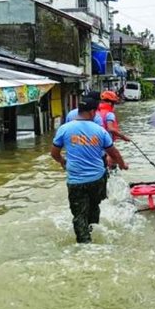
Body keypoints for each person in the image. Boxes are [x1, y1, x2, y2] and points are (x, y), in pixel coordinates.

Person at [51, 97, 128, 243]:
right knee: (94, 207)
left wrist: (63, 162)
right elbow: (114, 153)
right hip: (97, 179)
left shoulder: (64, 129)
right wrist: (123, 165)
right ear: (92, 112)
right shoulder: (100, 131)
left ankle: (84, 244)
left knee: (79, 215)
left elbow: (54, 153)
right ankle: (93, 231)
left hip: (76, 181)